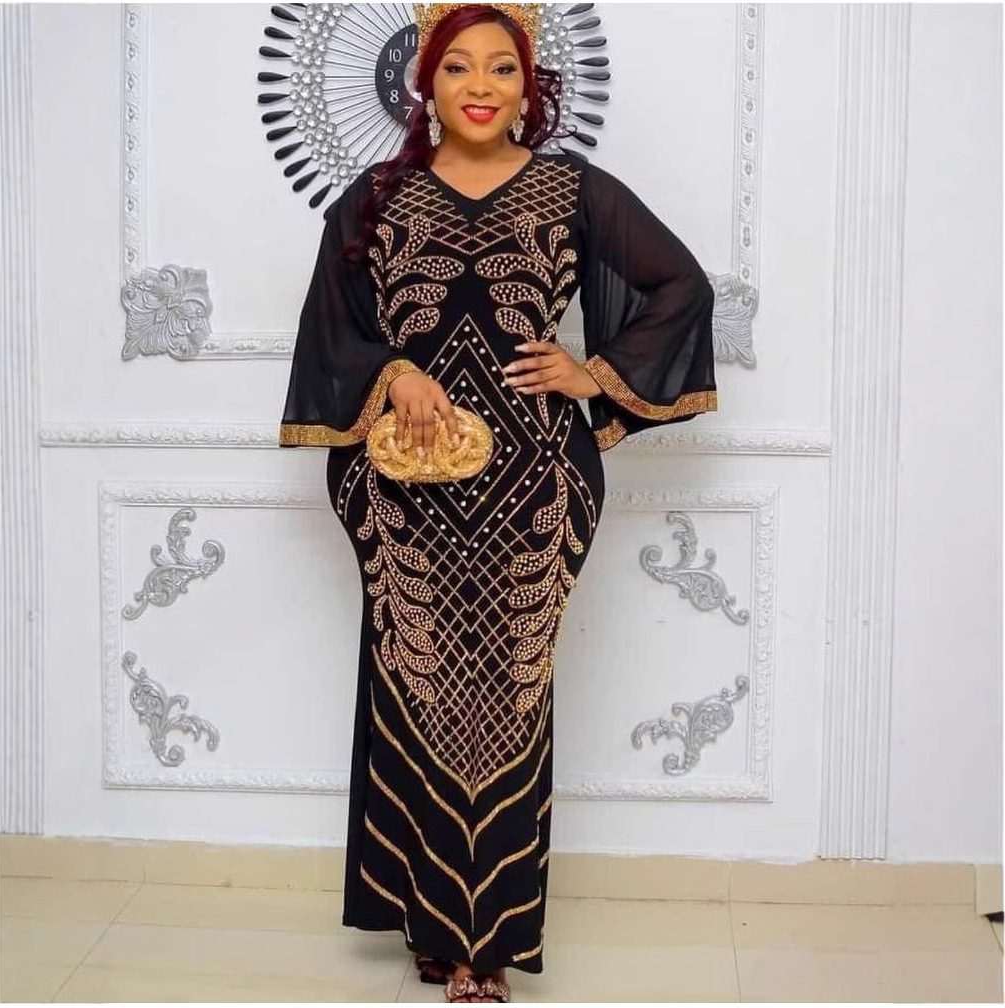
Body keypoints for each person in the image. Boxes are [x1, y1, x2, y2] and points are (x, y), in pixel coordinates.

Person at [279, 3, 717, 1002]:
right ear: (424, 83)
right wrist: (395, 371)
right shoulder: (376, 199)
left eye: (503, 69)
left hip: (535, 486)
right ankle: (435, 928)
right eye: (459, 68)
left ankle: (487, 943)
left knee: (508, 701)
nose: (481, 86)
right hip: (404, 489)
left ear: (529, 86)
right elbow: (332, 329)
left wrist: (592, 372)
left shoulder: (572, 191)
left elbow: (680, 287)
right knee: (419, 688)